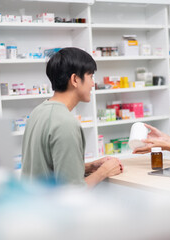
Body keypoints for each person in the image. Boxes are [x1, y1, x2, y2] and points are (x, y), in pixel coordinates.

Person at [21, 47, 123, 187]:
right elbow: (72, 192)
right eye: (91, 76)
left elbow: (47, 167)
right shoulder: (65, 123)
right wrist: (103, 172)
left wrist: (88, 166)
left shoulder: (38, 112)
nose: (93, 84)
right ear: (75, 79)